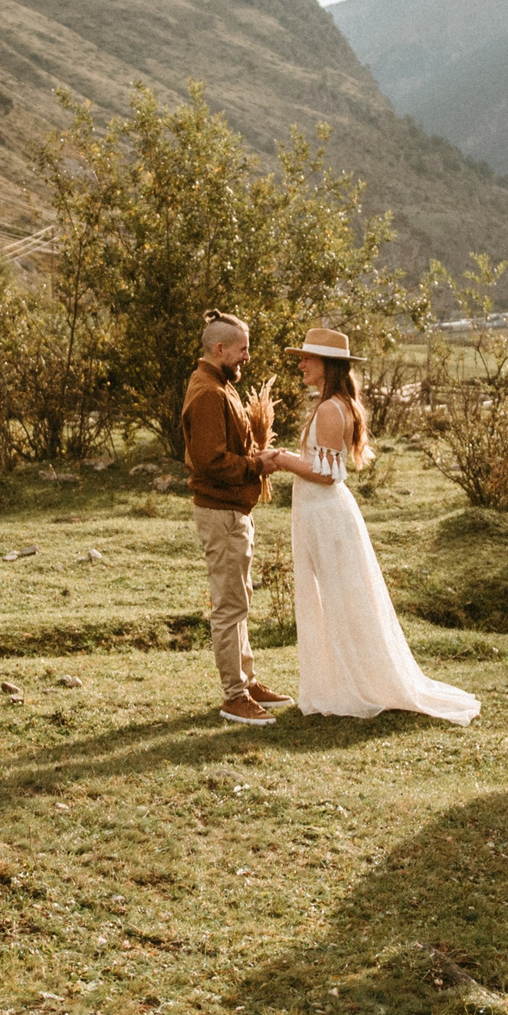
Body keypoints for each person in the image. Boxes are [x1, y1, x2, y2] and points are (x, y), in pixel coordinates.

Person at [264, 329, 477, 724]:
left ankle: (353, 686)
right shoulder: (332, 404)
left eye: (307, 358)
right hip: (318, 513)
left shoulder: (330, 409)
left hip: (326, 515)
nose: (301, 364)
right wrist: (289, 455)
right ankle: (340, 682)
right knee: (335, 598)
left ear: (327, 364)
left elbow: (327, 474)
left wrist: (280, 459)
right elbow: (321, 461)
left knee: (339, 599)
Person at [181, 309, 291, 726]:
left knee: (238, 598)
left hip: (230, 510)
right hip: (221, 511)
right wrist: (257, 465)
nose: (247, 356)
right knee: (229, 606)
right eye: (243, 349)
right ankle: (234, 696)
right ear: (220, 348)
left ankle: (247, 681)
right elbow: (210, 462)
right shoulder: (209, 393)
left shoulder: (218, 385)